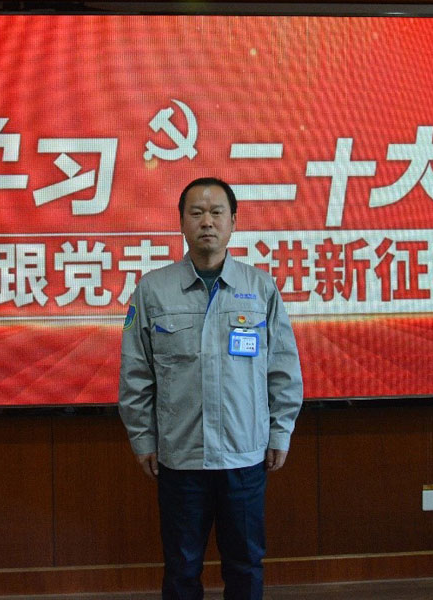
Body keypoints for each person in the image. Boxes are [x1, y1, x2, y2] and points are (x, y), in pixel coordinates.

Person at [118, 177, 303, 600]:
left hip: (245, 455)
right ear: (181, 222)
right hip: (181, 457)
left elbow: (282, 367)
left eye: (217, 213)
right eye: (196, 213)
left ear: (233, 221)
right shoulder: (153, 290)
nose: (207, 222)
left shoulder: (260, 288)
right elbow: (135, 373)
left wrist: (280, 432)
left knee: (246, 564)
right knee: (182, 568)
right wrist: (143, 438)